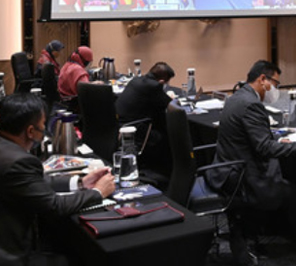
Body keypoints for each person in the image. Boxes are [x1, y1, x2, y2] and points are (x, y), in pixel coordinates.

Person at [206, 60, 296, 265]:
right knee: (293, 193)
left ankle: (251, 232)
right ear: (262, 79)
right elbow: (264, 149)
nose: (276, 89)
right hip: (241, 178)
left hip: (224, 169)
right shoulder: (252, 105)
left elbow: (253, 138)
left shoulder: (237, 97)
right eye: (275, 84)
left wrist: (278, 141)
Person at [0, 93, 115, 262]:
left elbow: (30, 183)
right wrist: (98, 192)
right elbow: (54, 206)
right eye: (43, 124)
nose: (44, 129)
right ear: (30, 131)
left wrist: (80, 182)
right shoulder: (19, 160)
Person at [115, 62, 176, 175]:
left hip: (118, 125)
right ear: (162, 81)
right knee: (167, 135)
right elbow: (168, 104)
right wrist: (170, 97)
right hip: (133, 129)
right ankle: (164, 172)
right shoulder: (154, 86)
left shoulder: (136, 80)